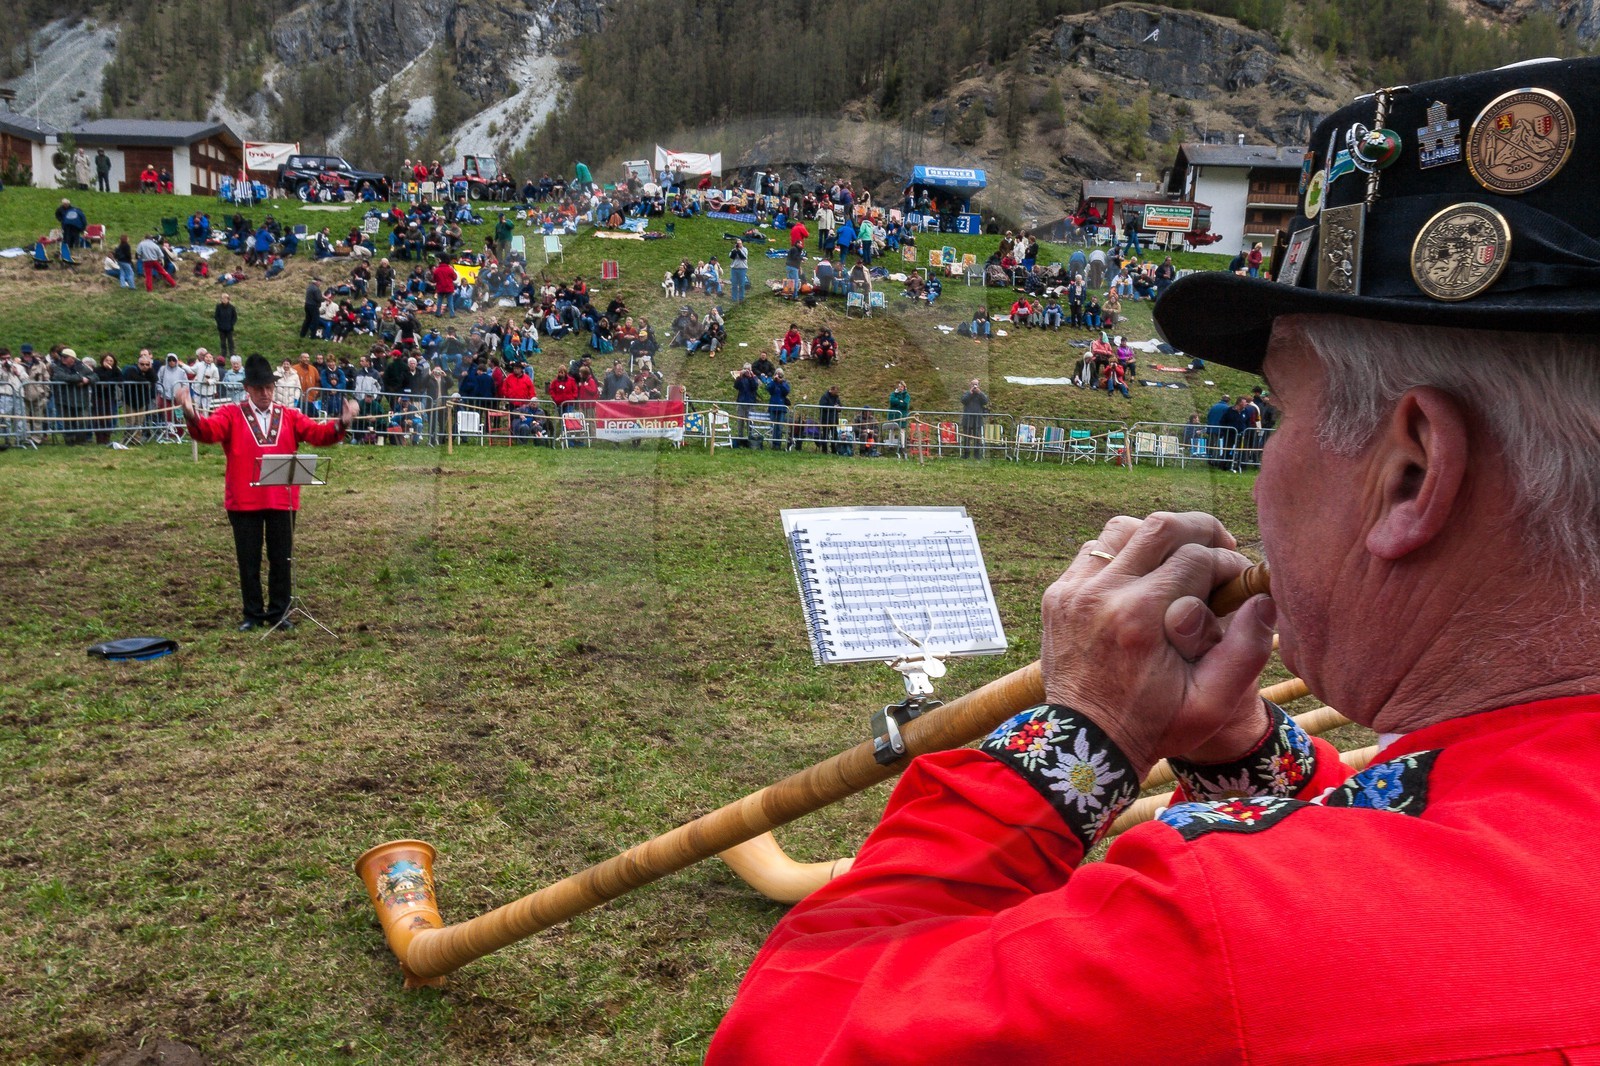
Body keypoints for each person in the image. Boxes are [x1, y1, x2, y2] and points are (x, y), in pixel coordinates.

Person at [713, 57, 1600, 1064]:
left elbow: (796, 1032)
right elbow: (1425, 851)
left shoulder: (1221, 932)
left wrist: (1079, 728)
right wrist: (1237, 752)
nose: (1262, 459)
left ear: (1409, 473)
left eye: (1279, 409)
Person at [177, 355, 353, 631]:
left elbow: (317, 434)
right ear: (247, 388)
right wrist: (191, 413)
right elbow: (209, 432)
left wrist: (341, 423)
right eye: (259, 389)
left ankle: (279, 611)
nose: (265, 393)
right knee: (248, 560)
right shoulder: (231, 414)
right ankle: (253, 613)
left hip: (282, 500)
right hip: (243, 501)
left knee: (281, 558)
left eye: (269, 388)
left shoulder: (290, 415)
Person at [959, 378, 988, 458]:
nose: (975, 386)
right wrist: (970, 393)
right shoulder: (967, 394)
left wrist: (979, 393)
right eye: (973, 385)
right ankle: (966, 453)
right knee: (967, 437)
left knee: (977, 437)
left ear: (979, 385)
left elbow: (985, 401)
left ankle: (977, 454)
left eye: (976, 384)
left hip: (978, 418)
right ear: (970, 385)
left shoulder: (981, 394)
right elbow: (963, 401)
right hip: (967, 418)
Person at [817, 384, 842, 454]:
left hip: (834, 419)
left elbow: (840, 405)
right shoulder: (825, 396)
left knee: (834, 434)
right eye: (836, 391)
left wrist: (839, 408)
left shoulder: (836, 397)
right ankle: (824, 450)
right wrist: (832, 407)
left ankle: (834, 450)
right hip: (825, 418)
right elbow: (822, 406)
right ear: (832, 390)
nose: (837, 393)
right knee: (825, 434)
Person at [215, 293, 238, 359]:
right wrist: (219, 324)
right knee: (223, 342)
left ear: (228, 299)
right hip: (221, 328)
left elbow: (235, 317)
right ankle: (223, 354)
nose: (224, 300)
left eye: (225, 298)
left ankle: (232, 354)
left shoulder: (232, 307)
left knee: (231, 341)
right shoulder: (218, 307)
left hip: (229, 328)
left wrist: (231, 324)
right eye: (222, 298)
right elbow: (216, 316)